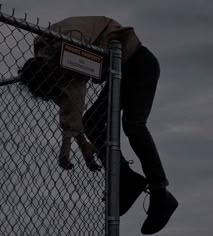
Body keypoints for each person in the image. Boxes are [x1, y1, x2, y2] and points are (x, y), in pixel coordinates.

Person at [26, 16, 178, 234]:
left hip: (139, 63)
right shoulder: (48, 55)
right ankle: (125, 178)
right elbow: (69, 97)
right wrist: (71, 139)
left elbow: (74, 91)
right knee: (92, 120)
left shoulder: (65, 43)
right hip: (119, 72)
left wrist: (70, 138)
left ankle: (160, 193)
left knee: (133, 125)